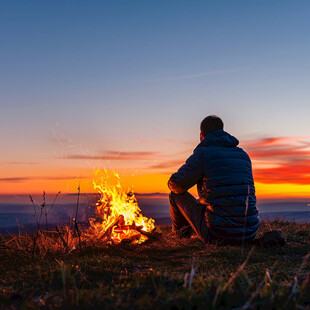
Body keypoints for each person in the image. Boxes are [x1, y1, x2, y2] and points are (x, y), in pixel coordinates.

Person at [168, 115, 259, 244]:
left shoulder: (204, 153)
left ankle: (180, 239)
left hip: (218, 234)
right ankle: (190, 233)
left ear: (202, 135)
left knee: (175, 195)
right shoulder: (243, 155)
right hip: (248, 233)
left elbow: (177, 184)